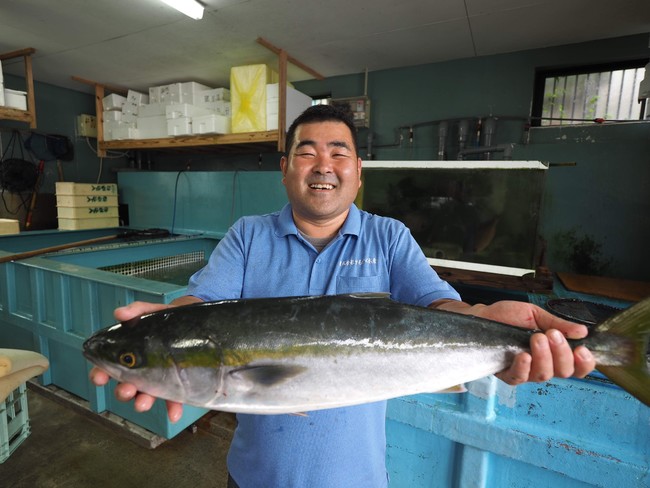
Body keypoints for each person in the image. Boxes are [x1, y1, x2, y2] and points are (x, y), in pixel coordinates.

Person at [90, 104, 595, 488]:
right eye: (307, 152)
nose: (323, 164)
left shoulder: (389, 236)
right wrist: (163, 326)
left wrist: (488, 322)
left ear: (357, 169)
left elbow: (440, 305)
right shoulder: (248, 235)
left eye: (339, 152)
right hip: (254, 476)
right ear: (285, 167)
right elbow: (199, 308)